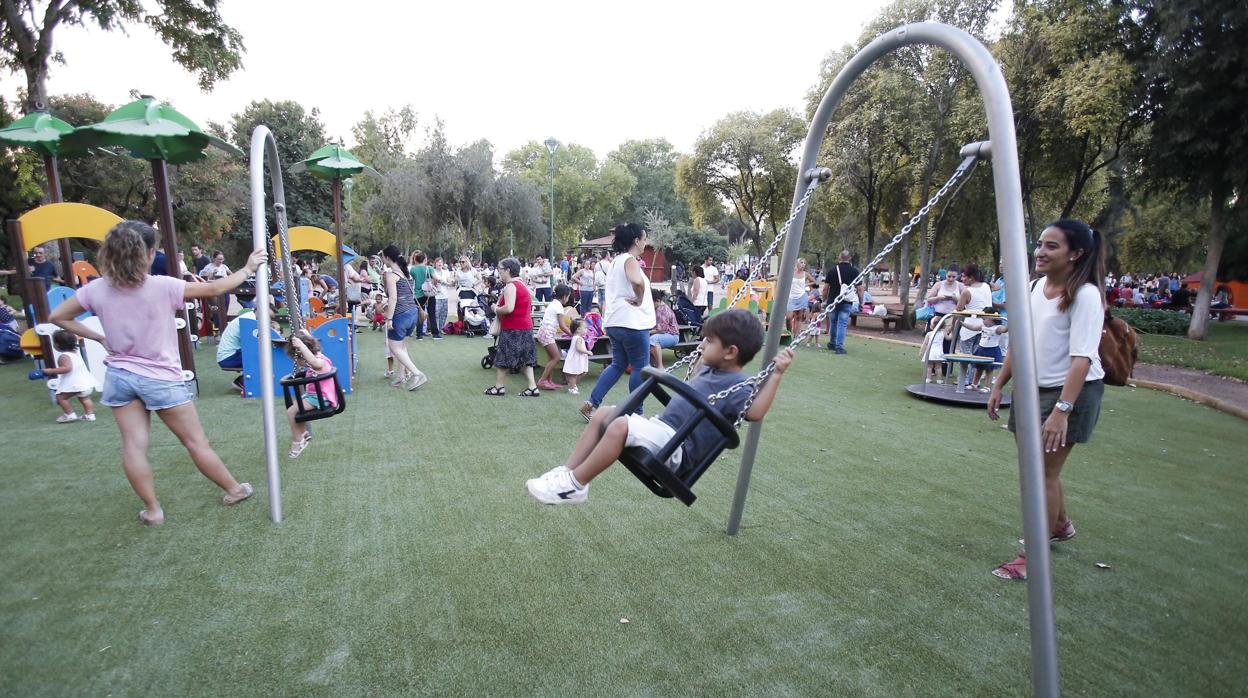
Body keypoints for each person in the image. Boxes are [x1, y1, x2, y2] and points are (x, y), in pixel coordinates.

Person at [48, 220, 261, 525]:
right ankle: (234, 489)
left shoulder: (96, 289)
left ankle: (153, 510)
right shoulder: (162, 285)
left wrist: (98, 337)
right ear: (148, 253)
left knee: (134, 446)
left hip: (120, 376)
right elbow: (215, 288)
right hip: (162, 379)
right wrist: (248, 267)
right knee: (195, 442)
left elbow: (58, 316)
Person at [525, 309, 795, 504]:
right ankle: (567, 471)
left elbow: (755, 412)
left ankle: (576, 484)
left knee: (620, 425)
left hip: (677, 449)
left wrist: (777, 375)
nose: (702, 344)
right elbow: (699, 368)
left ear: (731, 352)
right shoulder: (710, 370)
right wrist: (704, 351)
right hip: (662, 431)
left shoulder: (740, 386)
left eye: (709, 341)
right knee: (606, 413)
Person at [987, 219, 1107, 580]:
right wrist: (999, 384)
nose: (1040, 251)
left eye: (1052, 246)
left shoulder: (1085, 295)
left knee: (1042, 474)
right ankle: (1061, 525)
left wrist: (1061, 411)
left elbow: (1082, 359)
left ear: (1077, 253)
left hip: (1070, 392)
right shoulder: (1035, 287)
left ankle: (1032, 559)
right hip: (1031, 389)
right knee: (1040, 470)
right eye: (1040, 244)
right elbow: (1020, 342)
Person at [579, 224, 655, 422]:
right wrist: (639, 298)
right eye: (644, 239)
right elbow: (637, 282)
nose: (645, 243)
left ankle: (592, 403)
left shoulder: (615, 262)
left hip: (615, 322)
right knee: (640, 367)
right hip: (632, 323)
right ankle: (637, 414)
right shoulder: (630, 261)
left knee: (618, 364)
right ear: (636, 241)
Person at [484, 257, 540, 396]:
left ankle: (499, 387)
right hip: (525, 327)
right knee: (527, 359)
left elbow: (509, 308)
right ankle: (533, 387)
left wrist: (495, 308)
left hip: (513, 328)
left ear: (508, 270)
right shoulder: (521, 285)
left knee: (503, 359)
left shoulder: (510, 286)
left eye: (501, 270)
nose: (499, 273)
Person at [379, 245, 429, 391]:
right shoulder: (407, 275)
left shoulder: (391, 275)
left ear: (388, 258)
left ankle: (417, 374)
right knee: (401, 346)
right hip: (412, 313)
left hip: (400, 315)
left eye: (383, 256)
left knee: (395, 348)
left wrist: (388, 319)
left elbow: (393, 298)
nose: (382, 259)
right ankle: (402, 376)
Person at [284, 331, 337, 459]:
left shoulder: (319, 363)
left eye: (297, 359)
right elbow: (313, 353)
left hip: (320, 398)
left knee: (291, 412)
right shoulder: (320, 355)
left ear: (303, 356)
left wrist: (301, 345)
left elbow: (314, 362)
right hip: (316, 397)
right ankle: (304, 433)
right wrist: (308, 336)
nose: (297, 362)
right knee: (298, 409)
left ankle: (298, 441)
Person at [42, 329, 101, 423]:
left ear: (57, 345)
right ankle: (90, 415)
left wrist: (51, 371)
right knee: (84, 398)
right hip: (85, 383)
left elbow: (67, 368)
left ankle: (69, 414)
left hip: (76, 384)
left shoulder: (64, 356)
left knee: (61, 397)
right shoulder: (76, 353)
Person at [821, 250, 862, 355]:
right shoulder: (855, 272)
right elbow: (860, 289)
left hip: (832, 301)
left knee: (833, 322)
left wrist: (824, 300)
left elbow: (825, 289)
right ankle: (839, 347)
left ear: (839, 258)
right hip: (846, 302)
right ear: (850, 258)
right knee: (842, 324)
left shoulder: (833, 270)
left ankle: (832, 343)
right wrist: (861, 302)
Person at [537, 284, 575, 390]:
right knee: (556, 357)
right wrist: (573, 335)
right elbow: (562, 326)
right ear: (564, 296)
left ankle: (549, 381)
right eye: (568, 297)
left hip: (544, 332)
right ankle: (542, 380)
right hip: (547, 333)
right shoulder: (559, 307)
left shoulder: (553, 303)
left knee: (551, 357)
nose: (568, 299)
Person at [408, 251, 440, 339]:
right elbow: (436, 278)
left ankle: (419, 335)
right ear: (425, 259)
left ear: (416, 259)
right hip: (429, 294)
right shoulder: (429, 268)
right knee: (432, 314)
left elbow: (409, 280)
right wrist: (434, 284)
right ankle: (435, 334)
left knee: (420, 315)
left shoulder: (413, 269)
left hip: (418, 295)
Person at [970, 317, 1007, 392]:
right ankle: (974, 384)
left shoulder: (997, 328)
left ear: (992, 320)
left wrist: (1012, 322)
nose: (983, 320)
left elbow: (1005, 329)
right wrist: (961, 323)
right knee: (979, 368)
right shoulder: (983, 326)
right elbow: (973, 328)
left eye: (985, 319)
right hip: (981, 349)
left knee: (989, 369)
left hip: (992, 350)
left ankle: (987, 387)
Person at [648, 288, 680, 370]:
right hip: (666, 334)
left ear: (657, 301)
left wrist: (646, 332)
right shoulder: (658, 308)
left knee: (653, 339)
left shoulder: (663, 310)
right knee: (648, 339)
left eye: (650, 303)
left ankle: (660, 366)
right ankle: (651, 364)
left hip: (672, 336)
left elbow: (662, 330)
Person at [786, 258, 817, 339]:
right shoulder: (791, 273)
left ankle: (796, 337)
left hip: (801, 297)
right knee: (789, 317)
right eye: (801, 262)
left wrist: (806, 284)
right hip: (791, 297)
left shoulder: (806, 274)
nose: (803, 264)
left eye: (804, 263)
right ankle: (789, 335)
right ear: (797, 263)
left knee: (798, 318)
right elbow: (781, 277)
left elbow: (814, 281)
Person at [563, 318, 591, 395]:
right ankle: (572, 388)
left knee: (581, 372)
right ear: (578, 329)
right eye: (585, 328)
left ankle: (572, 384)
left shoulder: (576, 337)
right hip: (576, 358)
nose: (586, 330)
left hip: (577, 358)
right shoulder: (578, 338)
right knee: (574, 374)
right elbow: (578, 348)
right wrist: (587, 352)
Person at [454, 256, 482, 326]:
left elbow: (480, 279)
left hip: (471, 291)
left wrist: (473, 284)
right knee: (460, 306)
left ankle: (474, 322)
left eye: (463, 262)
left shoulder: (472, 270)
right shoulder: (458, 270)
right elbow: (456, 280)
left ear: (467, 262)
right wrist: (454, 281)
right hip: (461, 291)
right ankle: (460, 323)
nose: (461, 263)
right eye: (460, 262)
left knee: (472, 306)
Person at [432, 257, 453, 334]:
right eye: (438, 262)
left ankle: (441, 329)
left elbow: (450, 282)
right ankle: (435, 329)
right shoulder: (433, 272)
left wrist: (448, 282)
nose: (439, 263)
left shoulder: (446, 272)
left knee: (444, 313)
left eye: (441, 262)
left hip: (444, 295)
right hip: (436, 296)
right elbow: (431, 283)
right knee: (436, 313)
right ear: (435, 264)